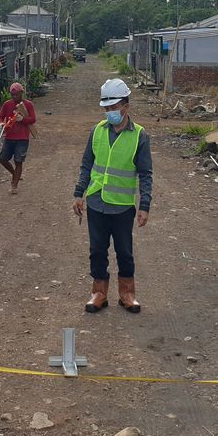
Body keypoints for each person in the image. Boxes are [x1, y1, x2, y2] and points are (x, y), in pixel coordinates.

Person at [73, 78, 152, 314]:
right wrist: (79, 193)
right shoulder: (97, 131)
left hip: (122, 206)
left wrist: (145, 205)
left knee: (124, 250)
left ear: (126, 106)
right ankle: (99, 293)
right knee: (97, 250)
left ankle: (127, 293)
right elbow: (87, 165)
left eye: (114, 107)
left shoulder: (139, 135)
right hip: (97, 202)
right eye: (106, 108)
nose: (110, 112)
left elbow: (146, 173)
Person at [0, 81, 35, 194]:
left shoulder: (28, 105)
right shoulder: (7, 104)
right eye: (12, 95)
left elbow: (33, 119)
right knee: (3, 159)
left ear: (21, 93)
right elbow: (0, 117)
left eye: (17, 94)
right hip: (9, 137)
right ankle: (14, 174)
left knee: (18, 161)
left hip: (22, 138)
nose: (14, 97)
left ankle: (15, 184)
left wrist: (22, 119)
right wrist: (0, 124)